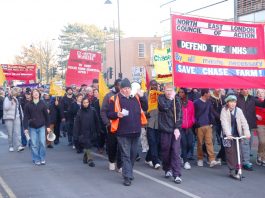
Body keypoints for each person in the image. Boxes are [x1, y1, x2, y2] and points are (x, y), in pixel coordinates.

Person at [108, 78, 148, 186]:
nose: (127, 90)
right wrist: (117, 114)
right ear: (120, 89)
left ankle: (129, 172)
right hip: (122, 132)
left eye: (128, 88)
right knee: (126, 155)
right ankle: (127, 177)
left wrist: (142, 96)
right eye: (124, 88)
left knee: (133, 155)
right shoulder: (114, 98)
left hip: (136, 131)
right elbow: (109, 114)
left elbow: (145, 107)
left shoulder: (135, 97)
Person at [220, 94, 250, 179]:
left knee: (238, 152)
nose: (233, 104)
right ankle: (232, 170)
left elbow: (244, 122)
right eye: (230, 102)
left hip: (237, 134)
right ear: (227, 103)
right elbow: (224, 123)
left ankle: (238, 169)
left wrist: (247, 132)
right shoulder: (224, 110)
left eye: (234, 102)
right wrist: (228, 134)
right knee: (230, 152)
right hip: (227, 135)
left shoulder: (239, 111)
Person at [158, 83, 182, 184]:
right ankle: (167, 168)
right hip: (164, 129)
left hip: (175, 130)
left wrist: (177, 127)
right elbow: (164, 107)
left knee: (176, 151)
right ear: (164, 90)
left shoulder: (177, 99)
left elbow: (180, 114)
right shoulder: (160, 98)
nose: (169, 92)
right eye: (167, 90)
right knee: (166, 151)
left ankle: (176, 174)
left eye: (171, 90)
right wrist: (171, 100)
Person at [194, 89, 220, 167]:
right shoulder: (196, 102)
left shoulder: (209, 102)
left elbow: (212, 112)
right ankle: (200, 158)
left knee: (209, 142)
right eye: (209, 93)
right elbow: (193, 114)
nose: (210, 94)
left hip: (208, 125)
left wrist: (218, 118)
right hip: (199, 126)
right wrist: (196, 124)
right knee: (200, 143)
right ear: (205, 94)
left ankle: (212, 159)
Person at [23, 89, 51, 165]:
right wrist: (25, 128)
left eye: (37, 93)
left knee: (42, 143)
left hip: (42, 126)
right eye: (34, 93)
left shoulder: (43, 104)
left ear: (39, 94)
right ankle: (36, 158)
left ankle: (42, 158)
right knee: (34, 144)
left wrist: (48, 126)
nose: (35, 94)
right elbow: (25, 117)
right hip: (32, 127)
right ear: (32, 95)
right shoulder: (28, 105)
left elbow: (47, 116)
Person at [100, 79, 122, 171]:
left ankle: (120, 164)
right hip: (112, 125)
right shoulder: (108, 96)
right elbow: (103, 111)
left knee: (121, 145)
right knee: (112, 144)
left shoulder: (124, 96)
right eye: (119, 86)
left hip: (122, 125)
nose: (121, 88)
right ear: (115, 85)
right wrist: (107, 123)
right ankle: (112, 161)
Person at [73, 97, 100, 167]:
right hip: (83, 133)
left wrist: (98, 130)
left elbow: (97, 121)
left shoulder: (93, 110)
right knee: (87, 145)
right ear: (82, 103)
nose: (86, 104)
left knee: (89, 145)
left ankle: (85, 157)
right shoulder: (80, 112)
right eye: (84, 103)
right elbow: (77, 124)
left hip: (92, 131)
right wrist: (76, 134)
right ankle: (90, 160)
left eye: (87, 102)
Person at [236, 89, 256, 171]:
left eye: (247, 89)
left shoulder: (252, 98)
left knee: (248, 143)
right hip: (241, 124)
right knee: (245, 143)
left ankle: (243, 159)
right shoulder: (237, 98)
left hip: (250, 124)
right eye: (243, 89)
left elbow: (261, 104)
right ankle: (246, 162)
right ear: (240, 90)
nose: (246, 90)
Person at [145, 80, 162, 169]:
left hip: (159, 123)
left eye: (156, 85)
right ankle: (156, 162)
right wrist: (145, 113)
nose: (154, 86)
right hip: (149, 123)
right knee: (152, 142)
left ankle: (148, 158)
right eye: (153, 85)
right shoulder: (145, 95)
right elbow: (142, 106)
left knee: (157, 142)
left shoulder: (160, 95)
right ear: (149, 86)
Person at [3, 87, 25, 152]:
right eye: (18, 92)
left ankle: (19, 146)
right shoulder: (7, 98)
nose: (19, 93)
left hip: (17, 117)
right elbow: (6, 108)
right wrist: (10, 102)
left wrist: (22, 116)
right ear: (14, 92)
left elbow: (19, 108)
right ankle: (11, 145)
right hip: (9, 118)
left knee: (18, 132)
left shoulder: (17, 98)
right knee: (10, 133)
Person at [178, 88, 195, 170]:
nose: (180, 93)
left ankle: (182, 156)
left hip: (189, 127)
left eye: (182, 92)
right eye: (179, 92)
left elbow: (193, 114)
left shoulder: (191, 103)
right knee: (184, 144)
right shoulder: (177, 103)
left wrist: (193, 121)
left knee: (190, 144)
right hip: (181, 127)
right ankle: (185, 161)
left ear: (185, 93)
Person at [209, 88, 226, 163]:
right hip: (212, 122)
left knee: (224, 140)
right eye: (217, 88)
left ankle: (221, 155)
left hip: (221, 122)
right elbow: (212, 110)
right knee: (211, 140)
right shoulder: (210, 98)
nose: (219, 89)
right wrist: (220, 117)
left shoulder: (222, 97)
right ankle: (210, 157)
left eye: (220, 88)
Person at [255, 89, 265, 166]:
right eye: (259, 93)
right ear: (257, 94)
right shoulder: (255, 101)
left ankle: (263, 158)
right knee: (262, 141)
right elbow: (250, 111)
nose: (261, 94)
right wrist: (256, 115)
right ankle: (259, 155)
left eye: (262, 92)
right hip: (259, 124)